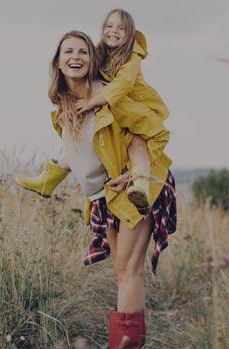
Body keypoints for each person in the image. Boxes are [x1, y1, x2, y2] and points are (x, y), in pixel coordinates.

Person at [23, 30, 176, 349]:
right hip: (104, 196)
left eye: (83, 51)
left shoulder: (108, 95)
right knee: (122, 272)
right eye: (68, 52)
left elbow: (144, 134)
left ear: (92, 61)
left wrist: (134, 175)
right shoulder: (66, 107)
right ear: (58, 63)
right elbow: (83, 152)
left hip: (136, 186)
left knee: (128, 270)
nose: (75, 56)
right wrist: (55, 172)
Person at [16, 9, 170, 217]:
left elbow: (121, 86)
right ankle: (49, 179)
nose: (114, 31)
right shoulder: (101, 52)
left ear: (130, 33)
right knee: (81, 143)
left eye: (121, 28)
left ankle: (139, 183)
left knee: (136, 142)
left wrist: (91, 101)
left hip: (136, 104)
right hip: (114, 107)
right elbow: (84, 62)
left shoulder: (132, 57)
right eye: (109, 26)